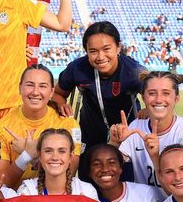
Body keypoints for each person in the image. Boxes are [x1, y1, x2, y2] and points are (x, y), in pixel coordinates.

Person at [53, 21, 146, 149]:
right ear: (86, 51)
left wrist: (149, 110)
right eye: (93, 51)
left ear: (118, 47)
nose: (100, 57)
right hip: (90, 135)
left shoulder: (133, 70)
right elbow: (58, 93)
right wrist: (61, 104)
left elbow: (157, 90)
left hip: (127, 135)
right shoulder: (78, 68)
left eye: (107, 49)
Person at [0, 65, 83, 190]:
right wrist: (26, 156)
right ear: (20, 88)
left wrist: (32, 157)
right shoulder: (2, 126)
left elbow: (69, 175)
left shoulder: (67, 124)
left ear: (52, 91)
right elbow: (0, 183)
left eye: (42, 86)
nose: (35, 92)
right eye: (30, 85)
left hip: (51, 201)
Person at [110, 71, 183, 187]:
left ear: (176, 98)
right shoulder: (135, 127)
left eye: (166, 93)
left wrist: (155, 156)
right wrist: (114, 144)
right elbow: (111, 168)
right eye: (152, 93)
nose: (158, 99)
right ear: (143, 97)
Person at [84, 143, 163, 202]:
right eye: (97, 164)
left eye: (111, 163)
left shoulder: (145, 194)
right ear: (89, 172)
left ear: (120, 168)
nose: (105, 169)